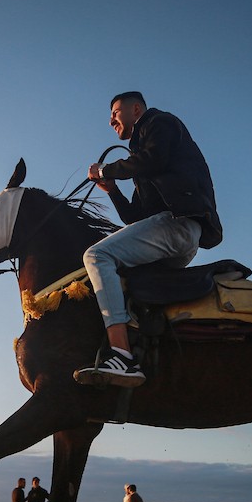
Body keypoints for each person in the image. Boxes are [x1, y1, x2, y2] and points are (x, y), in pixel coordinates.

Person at [76, 91, 223, 388]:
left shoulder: (159, 122)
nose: (110, 120)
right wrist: (112, 189)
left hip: (177, 226)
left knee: (96, 257)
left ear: (136, 109)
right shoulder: (144, 160)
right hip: (174, 235)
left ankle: (122, 356)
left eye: (115, 112)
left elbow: (152, 160)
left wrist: (105, 169)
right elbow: (136, 218)